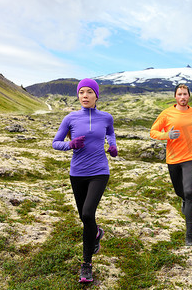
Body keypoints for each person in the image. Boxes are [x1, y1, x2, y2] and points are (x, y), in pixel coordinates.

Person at [52, 78, 118, 283]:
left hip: (99, 171)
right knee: (84, 218)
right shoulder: (70, 118)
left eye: (89, 92)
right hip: (77, 173)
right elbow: (55, 143)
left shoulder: (106, 117)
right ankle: (96, 233)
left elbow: (110, 133)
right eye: (81, 92)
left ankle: (86, 265)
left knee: (88, 213)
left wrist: (113, 146)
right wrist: (70, 144)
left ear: (97, 95)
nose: (85, 96)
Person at [150, 83, 192, 246]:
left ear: (189, 96)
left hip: (190, 158)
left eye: (185, 94)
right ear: (175, 96)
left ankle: (189, 235)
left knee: (189, 192)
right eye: (180, 94)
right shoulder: (167, 113)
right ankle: (182, 199)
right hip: (173, 160)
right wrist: (167, 135)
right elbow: (153, 131)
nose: (182, 97)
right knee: (180, 192)